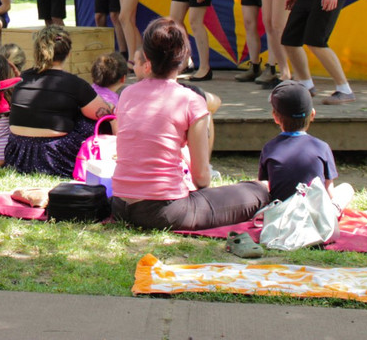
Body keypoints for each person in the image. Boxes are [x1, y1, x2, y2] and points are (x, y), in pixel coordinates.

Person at [111, 18, 269, 231]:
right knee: (257, 191)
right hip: (164, 210)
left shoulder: (126, 93)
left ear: (146, 57)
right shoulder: (190, 100)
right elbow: (202, 178)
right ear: (185, 59)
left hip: (120, 204)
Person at [5, 25, 112, 177]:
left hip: (17, 155)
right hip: (55, 156)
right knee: (97, 123)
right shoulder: (75, 83)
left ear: (37, 53)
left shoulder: (21, 78)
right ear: (68, 53)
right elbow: (104, 115)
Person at [260, 81, 353, 209]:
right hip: (315, 216)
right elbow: (329, 191)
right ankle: (334, 213)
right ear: (313, 115)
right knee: (347, 188)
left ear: (275, 117)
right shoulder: (322, 147)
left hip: (281, 214)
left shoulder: (269, 148)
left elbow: (266, 186)